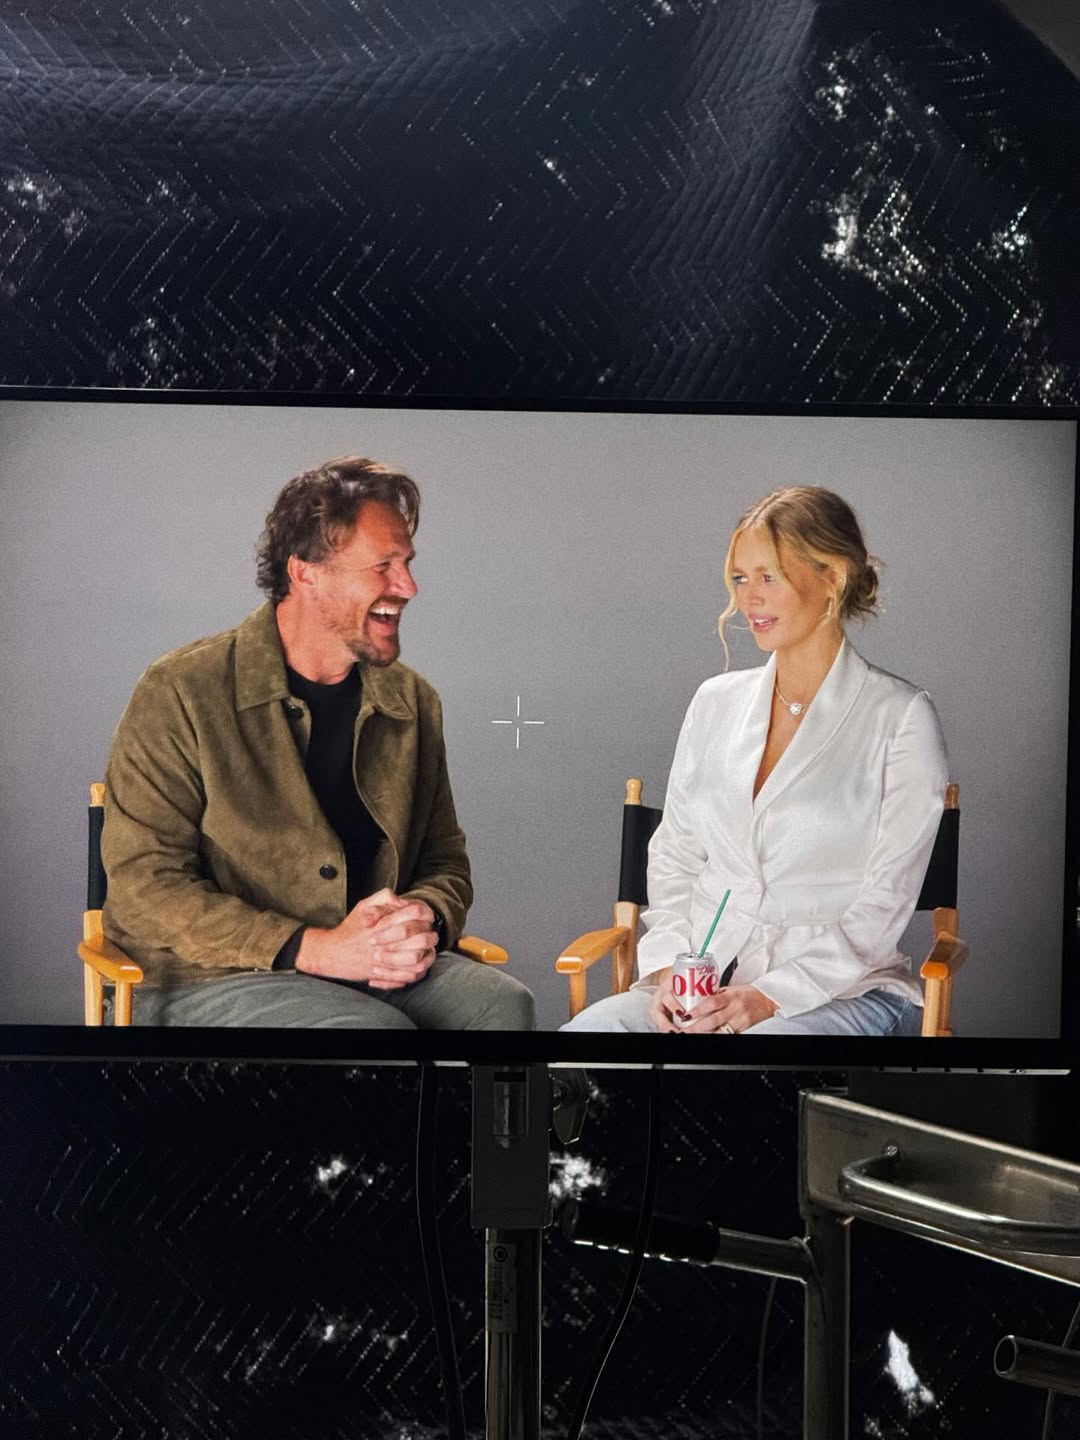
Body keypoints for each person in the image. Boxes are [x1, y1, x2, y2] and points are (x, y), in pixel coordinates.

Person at [101, 455, 535, 1030]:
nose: (407, 586)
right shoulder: (180, 691)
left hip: (363, 970)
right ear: (305, 572)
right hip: (206, 976)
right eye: (383, 566)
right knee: (369, 1034)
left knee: (503, 1007)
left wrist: (421, 917)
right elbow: (145, 888)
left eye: (406, 564)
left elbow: (444, 860)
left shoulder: (413, 701)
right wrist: (315, 948)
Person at [562, 486, 947, 1036]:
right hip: (704, 985)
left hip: (837, 992)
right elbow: (675, 855)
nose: (748, 600)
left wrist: (768, 998)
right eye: (741, 579)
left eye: (769, 577)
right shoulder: (714, 702)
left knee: (741, 1071)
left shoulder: (901, 717)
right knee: (579, 1046)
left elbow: (885, 903)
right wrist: (672, 972)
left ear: (833, 577)